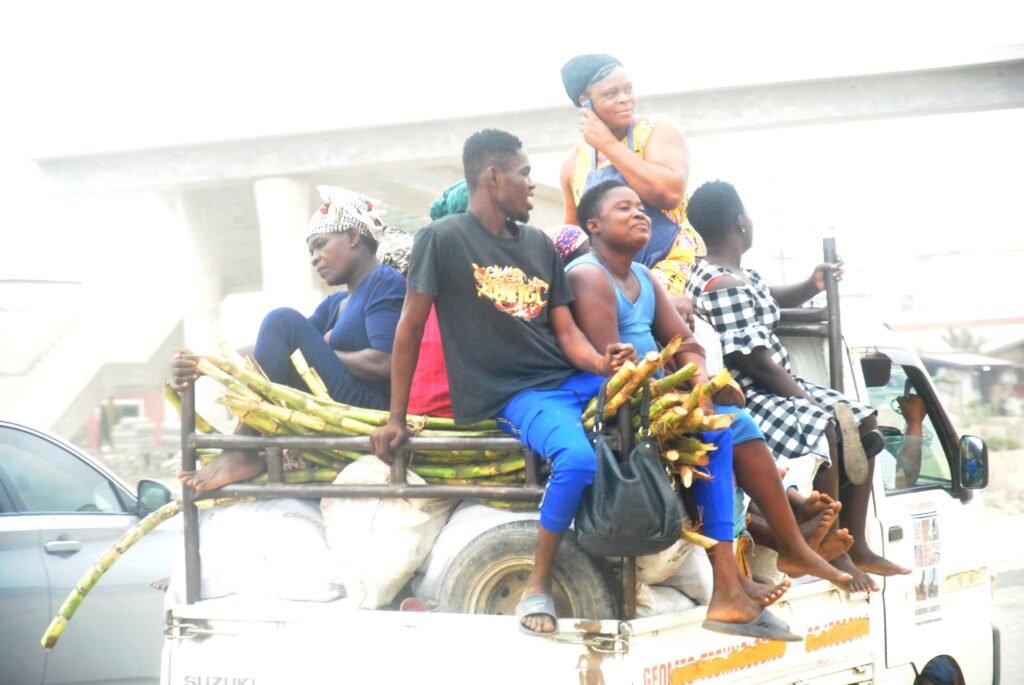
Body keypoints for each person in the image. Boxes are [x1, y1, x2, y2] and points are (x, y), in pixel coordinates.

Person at [370, 129, 635, 637]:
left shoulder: (538, 244)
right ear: (494, 178)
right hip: (520, 395)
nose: (531, 186)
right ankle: (538, 583)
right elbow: (408, 329)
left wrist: (605, 364)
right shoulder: (443, 239)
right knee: (577, 460)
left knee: (688, 412)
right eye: (525, 174)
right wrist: (396, 418)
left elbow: (566, 334)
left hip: (571, 379)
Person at [568, 181, 854, 637]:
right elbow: (613, 365)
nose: (640, 214)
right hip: (619, 402)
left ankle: (787, 548)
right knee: (717, 428)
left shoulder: (643, 277)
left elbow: (687, 341)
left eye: (641, 207)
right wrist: (685, 396)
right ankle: (744, 570)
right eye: (625, 208)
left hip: (663, 393)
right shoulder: (588, 275)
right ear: (594, 226)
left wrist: (699, 381)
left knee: (734, 424)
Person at [684, 180, 912, 591]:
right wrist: (804, 397)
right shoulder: (718, 284)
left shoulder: (737, 275)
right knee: (823, 424)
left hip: (775, 386)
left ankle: (856, 543)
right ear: (740, 222)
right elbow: (752, 360)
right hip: (750, 393)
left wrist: (812, 283)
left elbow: (769, 296)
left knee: (863, 420)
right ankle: (831, 546)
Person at [174, 190, 406, 491]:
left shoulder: (383, 280)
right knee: (280, 324)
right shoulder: (336, 304)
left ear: (352, 237)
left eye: (321, 245)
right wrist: (207, 363)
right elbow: (277, 347)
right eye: (310, 251)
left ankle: (243, 449)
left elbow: (386, 363)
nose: (314, 258)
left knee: (282, 318)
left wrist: (324, 351)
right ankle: (241, 448)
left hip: (370, 407)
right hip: (337, 400)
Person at [558, 53, 702, 321]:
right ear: (584, 102)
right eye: (611, 93)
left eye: (628, 89)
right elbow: (575, 236)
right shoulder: (573, 162)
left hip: (673, 266)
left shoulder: (658, 130)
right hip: (613, 277)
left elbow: (668, 194)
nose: (625, 99)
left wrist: (609, 146)